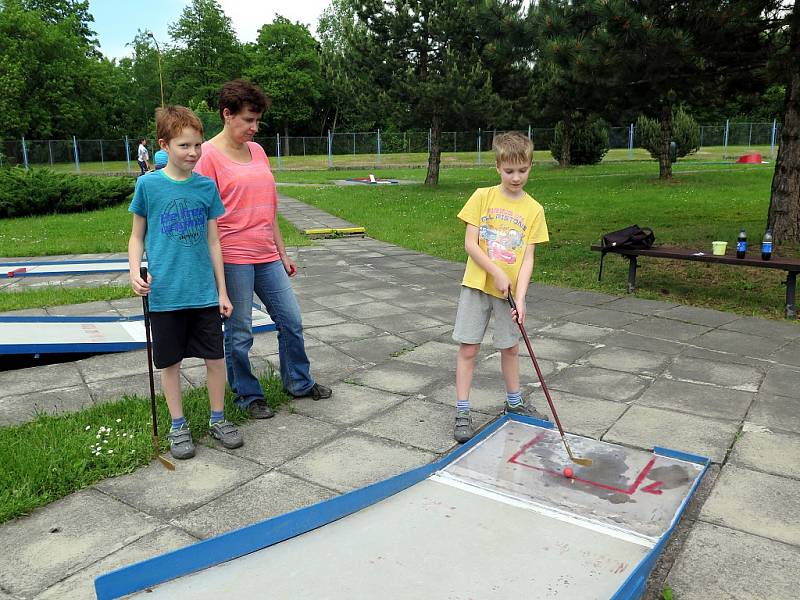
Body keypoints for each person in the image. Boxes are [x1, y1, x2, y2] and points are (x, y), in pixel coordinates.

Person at [194, 79, 331, 419]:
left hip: (266, 254)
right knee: (239, 332)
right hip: (233, 257)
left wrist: (282, 252)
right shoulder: (207, 156)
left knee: (291, 320)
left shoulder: (257, 151)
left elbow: (268, 208)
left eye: (258, 121)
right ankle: (247, 395)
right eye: (248, 121)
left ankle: (298, 382)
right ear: (227, 115)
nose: (255, 128)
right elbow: (204, 218)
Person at [128, 105, 240, 460]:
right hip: (165, 295)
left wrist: (222, 290)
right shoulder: (148, 185)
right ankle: (178, 425)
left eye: (198, 145)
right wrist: (134, 270)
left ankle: (218, 419)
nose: (193, 153)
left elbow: (213, 242)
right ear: (164, 145)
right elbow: (136, 237)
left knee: (215, 360)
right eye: (184, 146)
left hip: (203, 293)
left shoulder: (206, 188)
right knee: (170, 364)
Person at [452, 131, 550, 443]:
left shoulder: (534, 210)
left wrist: (521, 300)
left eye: (523, 170)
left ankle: (514, 403)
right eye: (509, 171)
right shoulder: (482, 197)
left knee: (510, 347)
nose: (516, 177)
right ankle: (463, 410)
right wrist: (495, 270)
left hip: (508, 294)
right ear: (498, 167)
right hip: (477, 285)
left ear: (530, 166)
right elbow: (470, 244)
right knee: (469, 348)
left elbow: (528, 260)